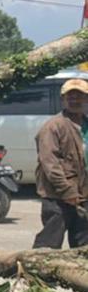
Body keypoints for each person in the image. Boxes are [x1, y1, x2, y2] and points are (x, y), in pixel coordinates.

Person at [33, 79, 88, 249]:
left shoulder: (85, 124)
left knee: (82, 245)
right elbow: (50, 163)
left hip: (83, 195)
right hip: (58, 196)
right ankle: (33, 272)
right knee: (50, 242)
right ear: (63, 99)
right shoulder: (53, 127)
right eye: (70, 97)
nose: (75, 100)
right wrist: (67, 191)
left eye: (80, 97)